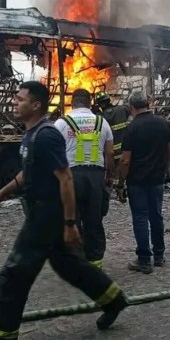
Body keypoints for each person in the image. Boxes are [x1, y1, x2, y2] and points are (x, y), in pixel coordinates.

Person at [0, 81, 128, 340]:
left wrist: (69, 224)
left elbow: (65, 177)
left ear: (36, 105)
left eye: (20, 99)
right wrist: (0, 194)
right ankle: (113, 299)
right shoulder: (32, 136)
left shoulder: (47, 135)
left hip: (45, 214)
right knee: (71, 266)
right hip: (39, 210)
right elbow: (27, 174)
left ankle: (2, 335)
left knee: (15, 272)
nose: (14, 103)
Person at [54, 88, 115, 268]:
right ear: (90, 103)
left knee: (72, 219)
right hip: (95, 177)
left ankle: (76, 260)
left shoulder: (61, 123)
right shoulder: (102, 122)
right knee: (94, 219)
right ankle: (95, 262)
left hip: (70, 176)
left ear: (72, 103)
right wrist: (109, 176)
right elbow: (110, 153)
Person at [117, 90, 170, 274]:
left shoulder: (132, 128)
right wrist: (164, 170)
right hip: (157, 179)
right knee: (156, 215)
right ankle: (159, 255)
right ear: (148, 103)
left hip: (137, 182)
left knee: (140, 218)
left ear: (131, 107)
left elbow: (125, 160)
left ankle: (144, 260)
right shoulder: (163, 123)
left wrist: (120, 182)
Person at [95, 92, 131, 165]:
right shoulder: (122, 109)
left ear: (99, 105)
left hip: (112, 155)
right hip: (125, 153)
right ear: (109, 100)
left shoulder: (100, 118)